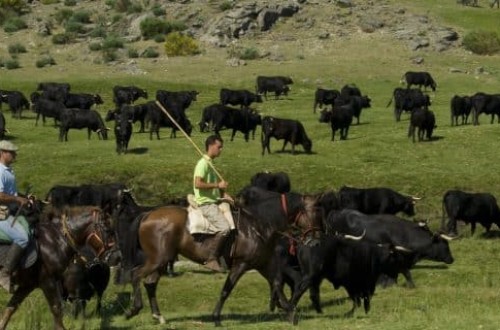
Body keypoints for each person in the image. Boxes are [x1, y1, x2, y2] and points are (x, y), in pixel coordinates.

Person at [193, 135, 234, 272]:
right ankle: (211, 259)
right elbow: (197, 184)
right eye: (219, 147)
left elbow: (216, 188)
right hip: (206, 204)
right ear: (211, 146)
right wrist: (218, 184)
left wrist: (223, 195)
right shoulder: (203, 164)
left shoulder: (210, 163)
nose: (221, 150)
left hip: (215, 201)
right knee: (225, 228)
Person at [0, 140, 30, 292]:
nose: (15, 155)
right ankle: (5, 273)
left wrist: (25, 197)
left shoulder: (8, 170)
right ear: (2, 153)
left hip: (9, 211)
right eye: (12, 153)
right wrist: (18, 199)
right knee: (22, 238)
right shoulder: (0, 171)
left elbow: (11, 193)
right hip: (1, 214)